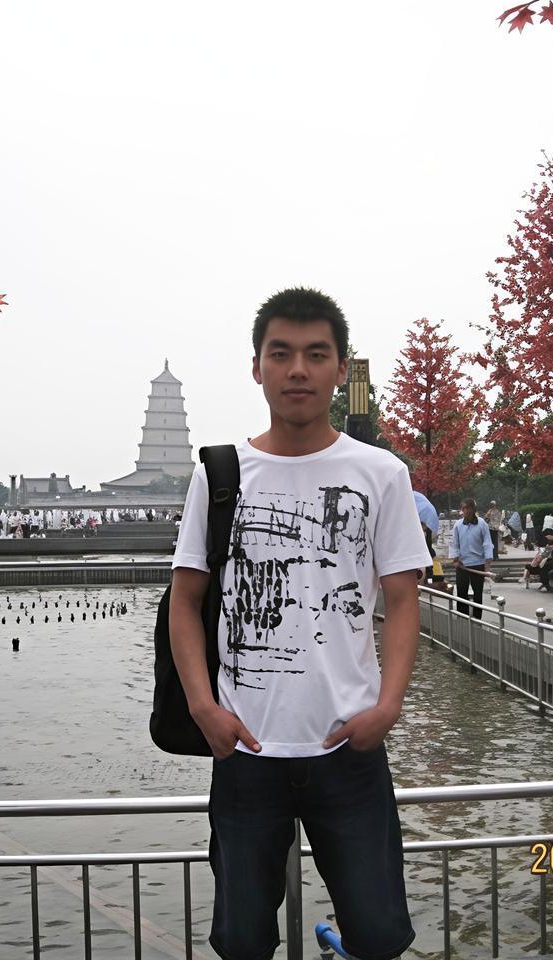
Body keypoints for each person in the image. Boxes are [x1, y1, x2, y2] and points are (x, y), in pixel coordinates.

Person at [169, 287, 427, 960]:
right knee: (242, 938)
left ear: (341, 368)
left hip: (350, 747)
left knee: (379, 931)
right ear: (256, 366)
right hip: (247, 751)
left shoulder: (381, 473)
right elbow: (184, 599)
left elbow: (402, 599)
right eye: (280, 354)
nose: (297, 371)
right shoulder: (220, 474)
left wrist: (388, 708)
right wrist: (203, 707)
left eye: (316, 355)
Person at [450, 498, 494, 619]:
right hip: (462, 564)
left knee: (478, 594)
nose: (465, 511)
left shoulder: (482, 524)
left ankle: (477, 619)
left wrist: (487, 562)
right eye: (463, 508)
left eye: (467, 508)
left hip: (478, 564)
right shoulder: (458, 525)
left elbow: (487, 543)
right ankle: (462, 618)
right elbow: (454, 544)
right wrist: (455, 559)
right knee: (461, 593)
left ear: (473, 509)